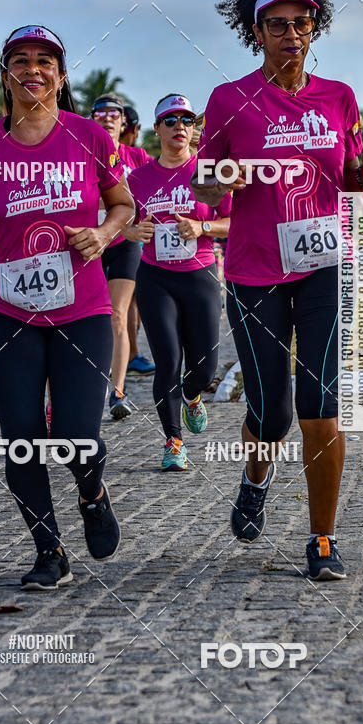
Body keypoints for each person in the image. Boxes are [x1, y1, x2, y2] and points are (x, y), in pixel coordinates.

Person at [193, 0, 363, 580]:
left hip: (326, 264)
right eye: (277, 25)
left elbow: (350, 178)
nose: (290, 34)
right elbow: (202, 184)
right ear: (256, 33)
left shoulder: (339, 97)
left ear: (314, 30)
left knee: (320, 401)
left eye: (301, 24)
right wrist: (226, 178)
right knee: (272, 413)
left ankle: (322, 538)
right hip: (255, 272)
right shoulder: (229, 99)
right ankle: (256, 476)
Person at [0, 25, 134, 589]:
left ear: (60, 74)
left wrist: (103, 233)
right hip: (10, 312)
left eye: (44, 61)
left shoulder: (88, 136)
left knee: (78, 433)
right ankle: (49, 550)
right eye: (21, 60)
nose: (33, 69)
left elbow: (123, 204)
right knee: (22, 438)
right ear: (6, 76)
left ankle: (92, 492)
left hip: (83, 308)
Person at [126, 94, 231, 470]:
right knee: (168, 361)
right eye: (170, 120)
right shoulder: (138, 178)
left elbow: (234, 221)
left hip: (199, 275)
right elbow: (122, 222)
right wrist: (133, 231)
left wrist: (202, 227)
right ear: (157, 129)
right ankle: (173, 442)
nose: (179, 127)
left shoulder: (208, 172)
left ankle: (191, 395)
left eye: (186, 120)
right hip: (156, 278)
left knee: (204, 369)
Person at [91, 93, 150, 418]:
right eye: (100, 112)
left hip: (125, 245)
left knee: (117, 316)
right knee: (87, 319)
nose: (107, 118)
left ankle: (117, 392)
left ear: (123, 121)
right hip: (90, 243)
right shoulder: (83, 152)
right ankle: (88, 385)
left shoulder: (136, 156)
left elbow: (155, 189)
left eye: (114, 113)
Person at [120, 103, 156, 376]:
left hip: (135, 237)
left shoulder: (138, 155)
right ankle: (129, 353)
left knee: (133, 301)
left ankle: (130, 352)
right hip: (109, 236)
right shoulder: (95, 152)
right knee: (125, 303)